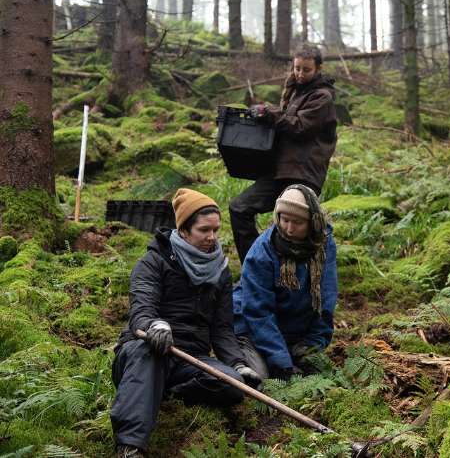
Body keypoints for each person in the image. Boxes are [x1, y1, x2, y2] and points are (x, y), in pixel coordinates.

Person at [110, 189, 262, 458]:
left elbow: (222, 328)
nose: (212, 238)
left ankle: (165, 392)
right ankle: (130, 446)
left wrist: (238, 364)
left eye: (216, 230)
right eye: (204, 230)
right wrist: (155, 326)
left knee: (232, 384)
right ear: (183, 231)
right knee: (151, 354)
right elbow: (141, 313)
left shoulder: (221, 271)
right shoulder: (152, 262)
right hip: (142, 351)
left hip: (190, 359)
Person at [229, 42, 338, 263]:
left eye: (306, 70)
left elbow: (301, 126)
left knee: (292, 231)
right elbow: (287, 116)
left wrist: (268, 113)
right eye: (297, 68)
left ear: (318, 68)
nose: (300, 74)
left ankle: (305, 278)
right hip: (280, 172)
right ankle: (254, 267)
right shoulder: (296, 92)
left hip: (303, 176)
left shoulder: (322, 96)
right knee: (239, 208)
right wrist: (265, 113)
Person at [233, 185, 338, 382]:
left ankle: (291, 351)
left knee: (317, 375)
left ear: (313, 222)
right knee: (262, 380)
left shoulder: (323, 244)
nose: (289, 229)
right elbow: (258, 312)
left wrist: (313, 343)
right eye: (284, 220)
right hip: (251, 326)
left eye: (298, 222)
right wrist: (281, 361)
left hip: (296, 330)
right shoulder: (262, 252)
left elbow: (327, 296)